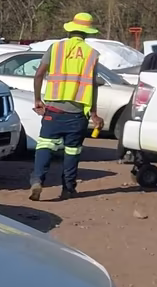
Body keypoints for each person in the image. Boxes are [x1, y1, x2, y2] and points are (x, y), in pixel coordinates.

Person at [29, 12, 105, 202]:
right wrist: (94, 114)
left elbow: (39, 75)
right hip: (78, 113)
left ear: (71, 29)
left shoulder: (55, 48)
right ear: (87, 33)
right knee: (72, 151)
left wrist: (38, 99)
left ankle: (37, 180)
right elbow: (92, 85)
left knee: (45, 146)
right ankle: (68, 189)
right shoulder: (91, 55)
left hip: (53, 110)